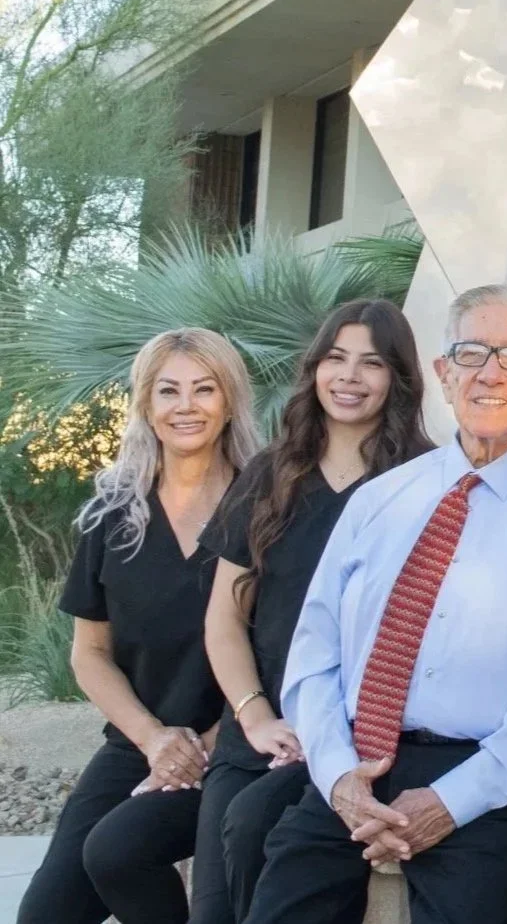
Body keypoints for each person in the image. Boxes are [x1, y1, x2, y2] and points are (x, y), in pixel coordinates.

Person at [244, 284, 507, 924]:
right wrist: (339, 777)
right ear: (444, 375)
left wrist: (450, 801)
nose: (491, 373)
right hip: (355, 759)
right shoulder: (378, 500)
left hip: (490, 781)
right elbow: (315, 650)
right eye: (472, 353)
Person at [192, 300, 432, 924]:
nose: (349, 378)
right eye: (336, 359)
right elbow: (223, 620)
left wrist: (344, 738)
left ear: (398, 379)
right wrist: (255, 717)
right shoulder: (270, 474)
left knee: (265, 847)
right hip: (261, 732)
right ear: (315, 369)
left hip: (359, 739)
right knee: (214, 910)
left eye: (371, 363)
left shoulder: (424, 482)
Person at [19, 328, 262, 924]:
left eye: (204, 389)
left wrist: (202, 747)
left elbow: (283, 649)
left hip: (235, 746)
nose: (186, 406)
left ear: (229, 401)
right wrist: (154, 740)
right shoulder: (113, 511)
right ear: (146, 407)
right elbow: (90, 654)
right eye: (168, 391)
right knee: (45, 913)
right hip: (140, 739)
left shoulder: (266, 506)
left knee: (121, 854)